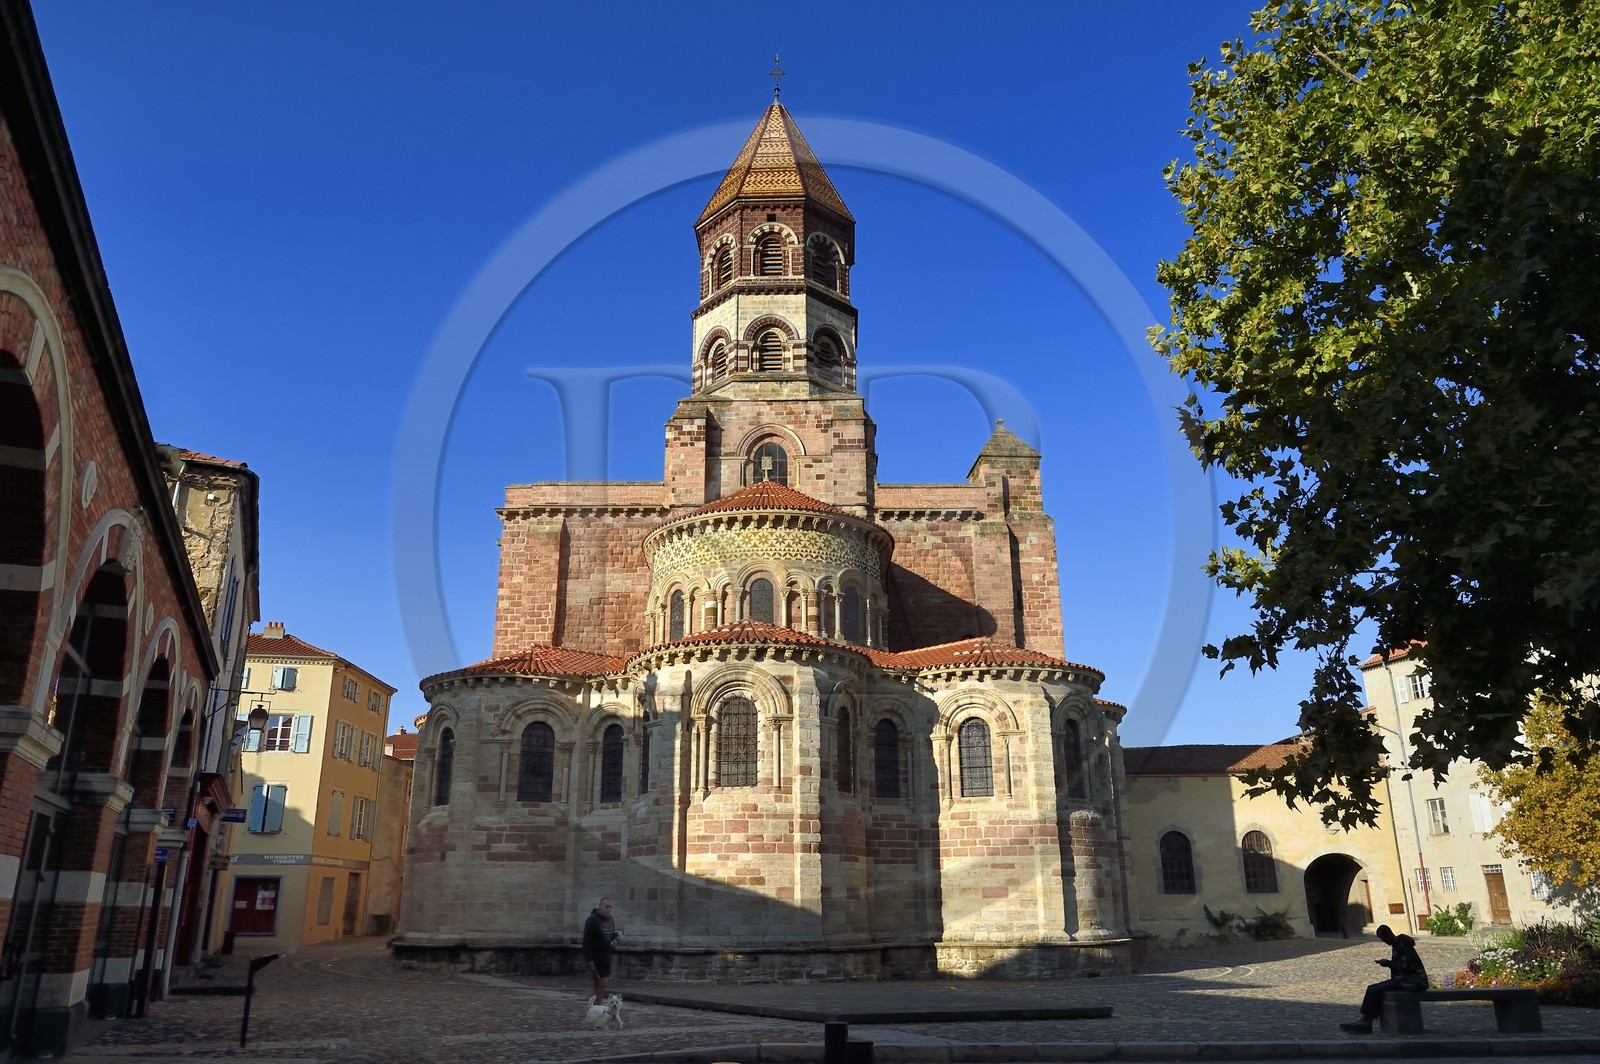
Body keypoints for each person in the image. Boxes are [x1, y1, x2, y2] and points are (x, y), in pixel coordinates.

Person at [1340, 924, 1428, 1033]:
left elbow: (1405, 967)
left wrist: (1388, 963)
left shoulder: (1403, 945)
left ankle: (1365, 1022)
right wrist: (1389, 964)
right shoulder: (1397, 946)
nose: (1384, 941)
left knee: (1375, 989)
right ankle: (1365, 1021)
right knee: (1372, 988)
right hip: (1405, 980)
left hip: (1415, 981)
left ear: (1388, 935)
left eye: (1383, 938)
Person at [582, 897, 621, 1005]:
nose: (608, 909)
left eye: (610, 907)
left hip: (606, 956)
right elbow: (585, 941)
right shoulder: (592, 920)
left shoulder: (610, 919)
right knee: (604, 982)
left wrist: (615, 941)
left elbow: (611, 935)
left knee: (598, 982)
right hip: (596, 957)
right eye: (606, 906)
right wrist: (589, 960)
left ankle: (594, 1005)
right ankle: (598, 1005)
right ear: (600, 906)